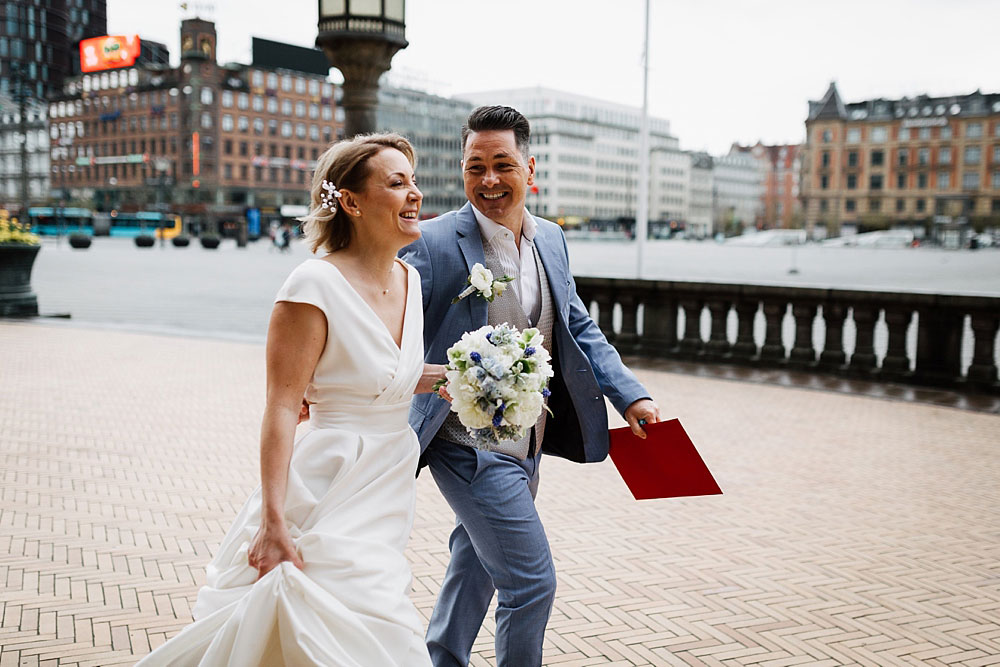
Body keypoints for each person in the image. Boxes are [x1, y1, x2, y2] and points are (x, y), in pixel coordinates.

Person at [138, 133, 435, 666]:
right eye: (397, 183)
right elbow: (281, 406)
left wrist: (478, 375)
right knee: (334, 623)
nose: (415, 193)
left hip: (389, 485)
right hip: (328, 484)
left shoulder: (411, 279)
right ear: (351, 201)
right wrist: (274, 521)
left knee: (378, 615)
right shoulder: (311, 285)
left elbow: (387, 375)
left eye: (413, 181)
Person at [400, 106, 662, 667]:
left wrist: (629, 394)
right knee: (531, 583)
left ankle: (441, 659)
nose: (488, 180)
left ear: (529, 167)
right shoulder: (434, 241)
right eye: (475, 167)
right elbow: (386, 325)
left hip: (529, 441)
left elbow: (576, 324)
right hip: (463, 443)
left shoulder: (553, 239)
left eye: (501, 164)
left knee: (474, 565)